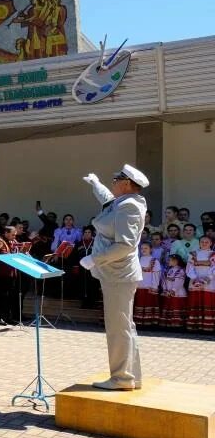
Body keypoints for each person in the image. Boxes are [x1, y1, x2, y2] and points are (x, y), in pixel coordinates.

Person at [79, 165, 148, 390]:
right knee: (124, 326)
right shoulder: (122, 202)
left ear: (127, 184)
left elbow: (125, 245)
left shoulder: (128, 206)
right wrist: (95, 184)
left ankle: (120, 378)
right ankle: (130, 376)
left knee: (118, 328)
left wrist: (94, 259)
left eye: (115, 179)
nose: (113, 182)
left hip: (118, 273)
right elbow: (107, 200)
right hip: (116, 273)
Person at [185, 236, 215, 332]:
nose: (204, 243)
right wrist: (195, 278)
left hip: (209, 282)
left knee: (208, 301)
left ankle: (207, 326)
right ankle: (194, 324)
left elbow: (214, 268)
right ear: (199, 243)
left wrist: (207, 278)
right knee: (195, 301)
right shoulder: (193, 254)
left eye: (207, 242)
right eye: (202, 241)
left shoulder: (213, 254)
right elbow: (189, 267)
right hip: (195, 282)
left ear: (211, 243)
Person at [133, 241, 162, 328]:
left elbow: (157, 274)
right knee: (139, 303)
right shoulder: (137, 260)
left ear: (151, 249)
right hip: (139, 286)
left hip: (149, 286)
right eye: (142, 248)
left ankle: (149, 322)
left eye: (146, 248)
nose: (143, 250)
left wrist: (154, 286)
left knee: (149, 303)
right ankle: (139, 321)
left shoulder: (154, 261)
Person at [160, 254, 188, 329]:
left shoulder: (181, 270)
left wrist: (173, 290)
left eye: (169, 260)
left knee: (176, 308)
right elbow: (164, 281)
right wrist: (165, 290)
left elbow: (179, 282)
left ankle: (177, 325)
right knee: (169, 307)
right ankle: (169, 324)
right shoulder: (168, 270)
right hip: (168, 293)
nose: (168, 261)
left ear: (176, 261)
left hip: (177, 293)